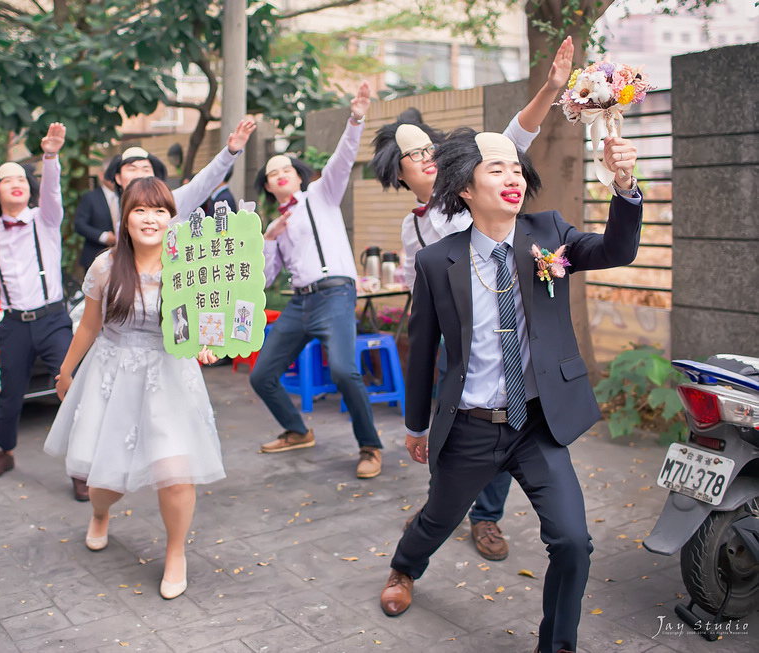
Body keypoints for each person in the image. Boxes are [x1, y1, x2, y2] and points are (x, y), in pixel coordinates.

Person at [378, 128, 642, 653]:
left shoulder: (550, 233)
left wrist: (625, 184)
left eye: (516, 169)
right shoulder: (438, 261)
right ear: (465, 188)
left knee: (572, 541)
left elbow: (617, 249)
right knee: (436, 517)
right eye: (496, 170)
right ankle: (404, 568)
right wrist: (415, 425)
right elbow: (423, 345)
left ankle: (558, 645)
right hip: (470, 425)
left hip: (537, 424)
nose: (512, 178)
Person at [369, 36, 575, 562]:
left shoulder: (468, 202)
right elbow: (421, 280)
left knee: (508, 402)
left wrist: (551, 90)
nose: (427, 159)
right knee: (462, 420)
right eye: (414, 156)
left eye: (430, 150)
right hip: (448, 323)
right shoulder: (411, 225)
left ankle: (486, 518)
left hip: (497, 310)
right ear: (400, 173)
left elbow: (513, 139)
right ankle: (447, 505)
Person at [43, 176, 225, 600]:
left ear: (171, 219)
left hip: (170, 374)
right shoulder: (106, 266)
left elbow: (202, 326)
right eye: (140, 209)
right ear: (125, 219)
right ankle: (101, 515)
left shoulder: (190, 263)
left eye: (160, 210)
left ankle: (176, 552)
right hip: (116, 371)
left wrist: (208, 346)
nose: (150, 218)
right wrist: (66, 370)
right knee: (107, 481)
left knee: (175, 474)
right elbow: (89, 325)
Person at [249, 81, 383, 480]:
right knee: (261, 375)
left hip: (335, 295)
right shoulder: (272, 224)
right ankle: (296, 430)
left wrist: (356, 118)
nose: (280, 175)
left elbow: (343, 160)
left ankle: (370, 446)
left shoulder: (321, 195)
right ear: (269, 186)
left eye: (286, 168)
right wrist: (267, 239)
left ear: (297, 174)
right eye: (273, 174)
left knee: (344, 371)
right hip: (298, 302)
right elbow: (266, 277)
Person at [0, 123, 88, 500]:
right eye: (8, 181)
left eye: (22, 178)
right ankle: (4, 451)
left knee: (69, 388)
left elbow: (53, 194)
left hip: (53, 320)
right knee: (10, 394)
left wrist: (50, 156)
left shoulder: (45, 219)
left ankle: (79, 467)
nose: (17, 184)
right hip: (13, 324)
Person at [104, 118, 255, 227]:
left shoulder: (172, 201)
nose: (140, 174)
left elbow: (203, 182)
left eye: (146, 169)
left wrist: (230, 153)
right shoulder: (114, 207)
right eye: (132, 169)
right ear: (118, 178)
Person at [74, 164, 120, 272]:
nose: (113, 177)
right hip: (95, 256)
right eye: (109, 173)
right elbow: (79, 224)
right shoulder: (90, 197)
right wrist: (103, 237)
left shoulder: (126, 197)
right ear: (101, 175)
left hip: (122, 258)